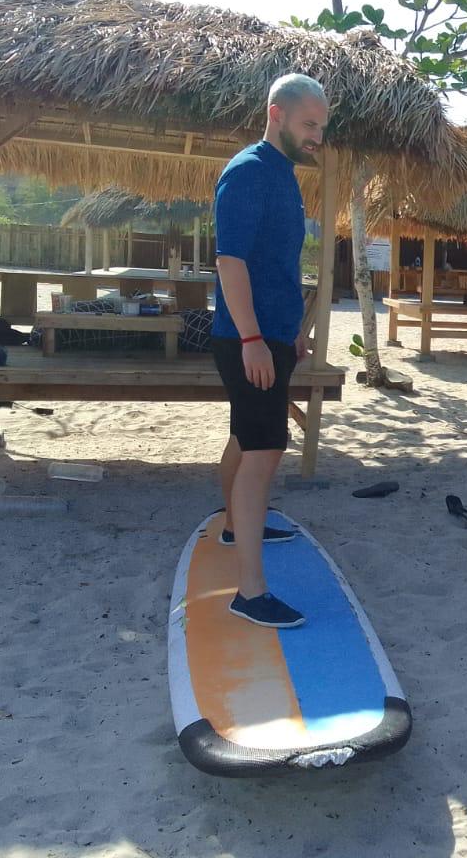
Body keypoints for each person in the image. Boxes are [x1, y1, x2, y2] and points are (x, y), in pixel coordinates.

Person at [210, 73, 330, 629]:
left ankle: (234, 524)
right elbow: (230, 262)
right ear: (275, 113)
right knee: (264, 453)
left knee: (246, 437)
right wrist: (256, 339)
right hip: (246, 339)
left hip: (271, 335)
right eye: (309, 125)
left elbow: (273, 264)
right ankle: (250, 593)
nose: (316, 137)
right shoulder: (250, 172)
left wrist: (289, 330)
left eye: (321, 128)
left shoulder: (283, 175)